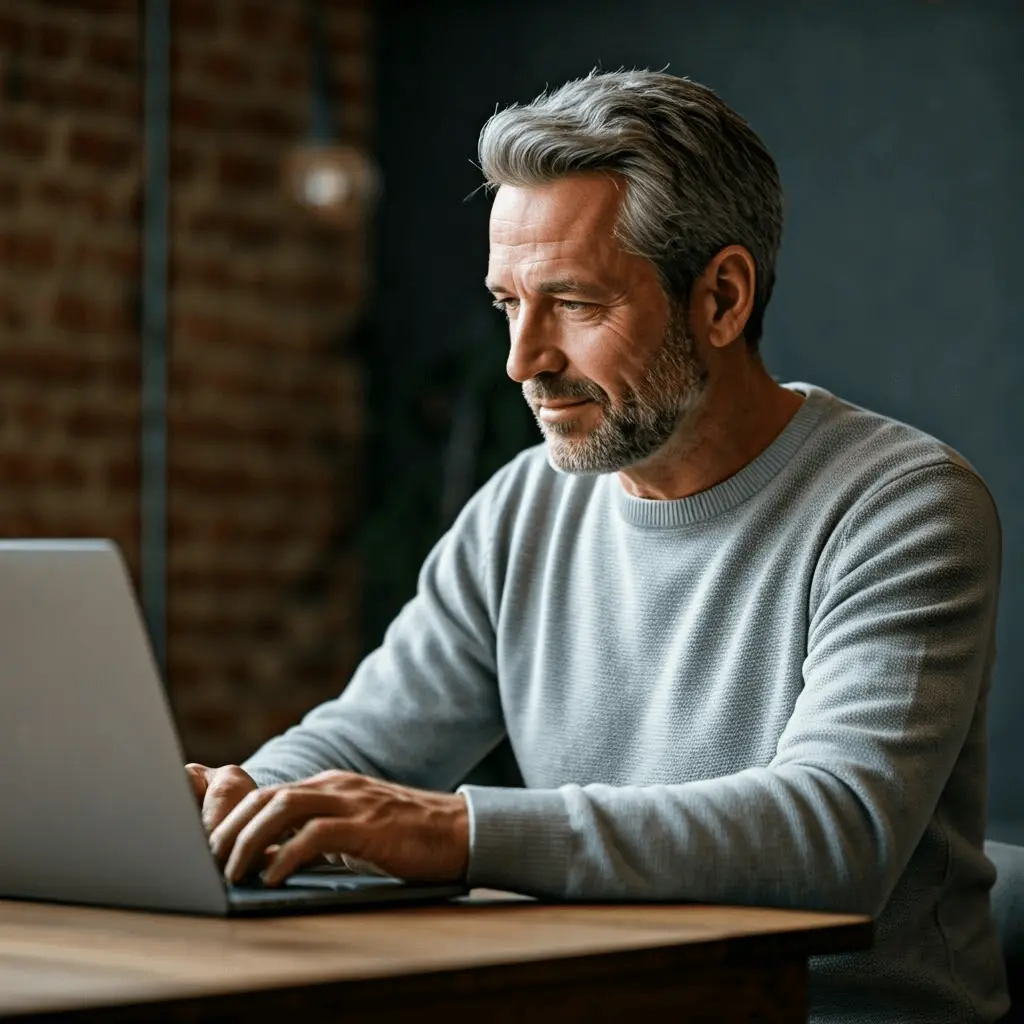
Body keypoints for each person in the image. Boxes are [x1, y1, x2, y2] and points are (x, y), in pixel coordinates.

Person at [186, 71, 1008, 1022]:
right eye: (507, 304)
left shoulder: (902, 505)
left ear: (723, 298)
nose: (522, 360)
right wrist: (224, 803)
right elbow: (365, 743)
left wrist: (458, 831)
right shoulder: (520, 510)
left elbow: (835, 835)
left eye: (573, 305)